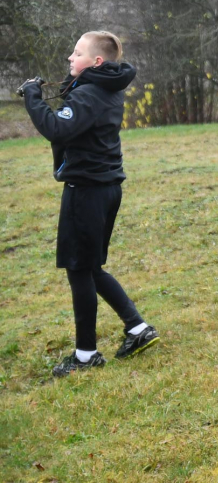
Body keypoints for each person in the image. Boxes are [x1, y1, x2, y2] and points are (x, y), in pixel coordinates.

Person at [19, 31, 160, 377]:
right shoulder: (104, 87)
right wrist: (69, 82)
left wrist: (33, 97)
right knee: (91, 266)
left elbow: (56, 128)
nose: (69, 57)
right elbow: (74, 112)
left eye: (77, 53)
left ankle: (86, 355)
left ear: (97, 61)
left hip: (87, 191)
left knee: (79, 268)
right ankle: (138, 329)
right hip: (105, 186)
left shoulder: (92, 93)